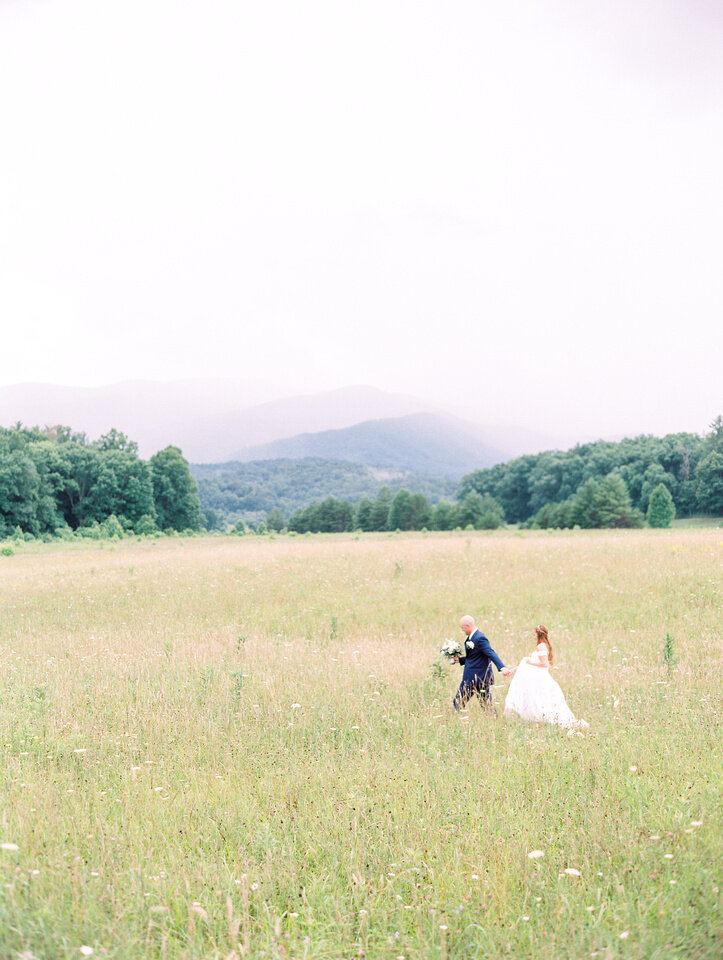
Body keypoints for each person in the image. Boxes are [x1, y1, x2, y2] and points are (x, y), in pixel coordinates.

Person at [503, 625, 589, 728]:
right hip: (537, 677)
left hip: (540, 678)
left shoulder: (541, 646)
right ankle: (538, 719)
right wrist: (514, 669)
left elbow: (544, 664)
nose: (533, 636)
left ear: (538, 634)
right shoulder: (543, 645)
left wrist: (530, 662)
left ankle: (543, 719)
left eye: (534, 634)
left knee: (542, 699)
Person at [452, 615, 513, 712]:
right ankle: (493, 719)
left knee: (458, 703)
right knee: (486, 705)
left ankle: (455, 720)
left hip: (475, 678)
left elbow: (490, 652)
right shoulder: (471, 638)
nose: (462, 630)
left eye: (462, 628)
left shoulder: (480, 638)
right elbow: (474, 656)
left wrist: (502, 668)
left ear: (467, 626)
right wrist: (460, 660)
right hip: (476, 678)